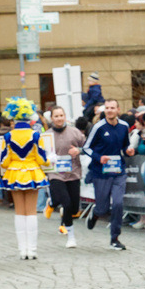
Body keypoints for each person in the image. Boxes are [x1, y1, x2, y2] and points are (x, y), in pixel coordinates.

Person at [0, 97, 50, 259]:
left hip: (14, 173)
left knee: (19, 211)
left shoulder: (7, 137)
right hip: (32, 173)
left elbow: (4, 162)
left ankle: (22, 250)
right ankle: (32, 250)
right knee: (31, 212)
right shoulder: (36, 135)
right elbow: (42, 159)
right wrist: (51, 159)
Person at [84, 98, 136, 250]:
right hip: (101, 172)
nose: (109, 110)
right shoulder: (98, 127)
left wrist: (128, 150)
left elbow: (125, 145)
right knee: (102, 208)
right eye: (107, 108)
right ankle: (95, 214)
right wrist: (99, 158)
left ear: (118, 110)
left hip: (118, 171)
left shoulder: (124, 126)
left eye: (112, 108)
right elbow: (86, 148)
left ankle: (115, 238)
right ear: (104, 110)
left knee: (118, 203)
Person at [44, 105, 86, 248]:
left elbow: (87, 148)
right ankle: (71, 237)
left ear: (65, 116)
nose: (59, 118)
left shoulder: (75, 133)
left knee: (74, 208)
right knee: (66, 204)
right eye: (56, 116)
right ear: (52, 118)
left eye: (61, 115)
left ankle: (52, 202)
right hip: (55, 174)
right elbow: (41, 154)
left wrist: (78, 150)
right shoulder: (47, 135)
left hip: (73, 173)